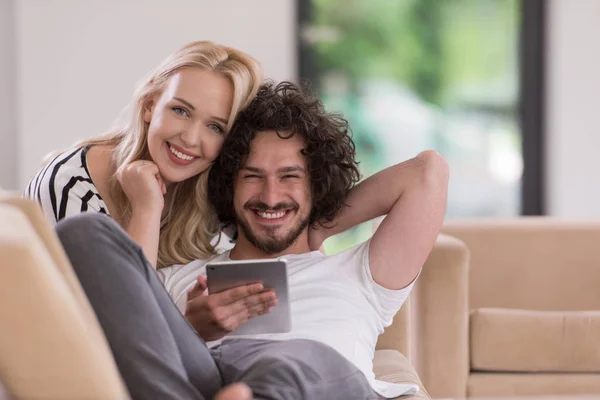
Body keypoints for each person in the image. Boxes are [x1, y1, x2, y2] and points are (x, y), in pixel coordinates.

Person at [55, 81, 449, 399]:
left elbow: (427, 173)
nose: (271, 196)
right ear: (229, 184)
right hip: (206, 381)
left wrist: (320, 224)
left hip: (314, 384)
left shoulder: (360, 274)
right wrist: (192, 328)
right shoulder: (181, 277)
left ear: (318, 186)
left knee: (294, 360)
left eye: (291, 177)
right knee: (83, 233)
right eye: (253, 176)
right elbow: (125, 334)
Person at [24, 40, 263, 268]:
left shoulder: (215, 190)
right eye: (180, 110)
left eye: (215, 127)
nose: (190, 138)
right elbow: (121, 306)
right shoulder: (68, 185)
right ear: (150, 106)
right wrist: (146, 210)